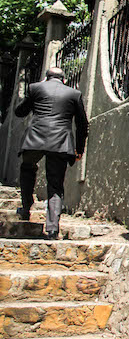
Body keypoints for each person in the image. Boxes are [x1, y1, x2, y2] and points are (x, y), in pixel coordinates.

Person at [14, 67, 88, 240]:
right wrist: (79, 149)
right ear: (64, 80)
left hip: (35, 139)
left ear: (46, 78)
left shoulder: (35, 88)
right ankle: (53, 229)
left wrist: (33, 96)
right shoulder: (74, 94)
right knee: (55, 184)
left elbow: (20, 112)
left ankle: (26, 208)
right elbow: (82, 124)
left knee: (27, 168)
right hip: (60, 142)